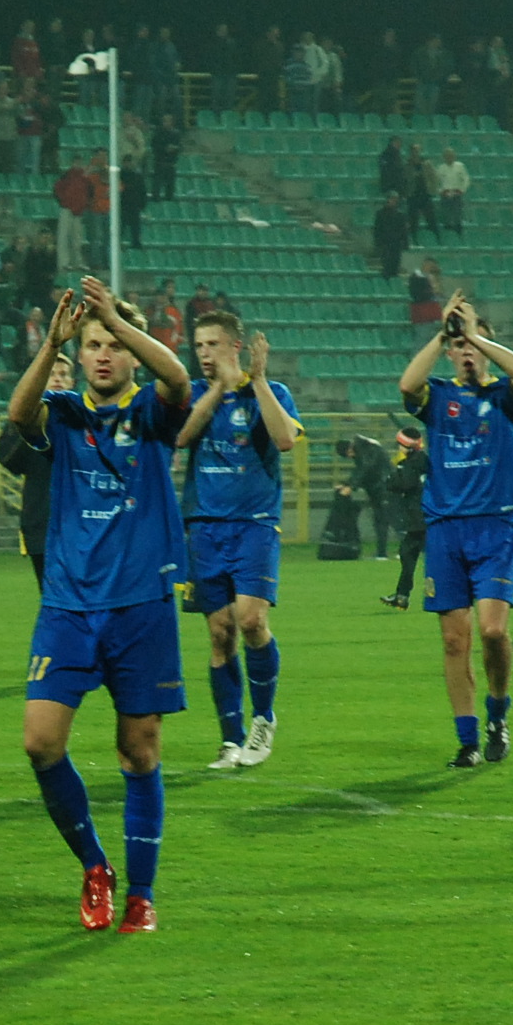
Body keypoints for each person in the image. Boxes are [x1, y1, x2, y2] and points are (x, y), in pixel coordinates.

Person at [9, 280, 192, 933]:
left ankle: (141, 893)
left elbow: (179, 381)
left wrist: (118, 318)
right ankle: (95, 866)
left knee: (139, 751)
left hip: (141, 606)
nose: (104, 354)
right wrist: (50, 346)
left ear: (133, 352)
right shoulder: (62, 413)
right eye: (93, 345)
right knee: (39, 742)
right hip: (68, 604)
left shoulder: (151, 412)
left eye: (113, 344)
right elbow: (18, 416)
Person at [396, 297, 513, 766]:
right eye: (460, 347)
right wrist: (442, 335)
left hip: (494, 525)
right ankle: (468, 740)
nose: (467, 352)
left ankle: (498, 712)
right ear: (450, 354)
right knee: (455, 640)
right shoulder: (438, 396)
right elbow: (407, 385)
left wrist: (473, 332)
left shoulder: (503, 396)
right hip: (445, 529)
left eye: (474, 346)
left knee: (493, 631)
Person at [173, 312, 302, 771]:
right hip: (204, 525)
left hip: (254, 523)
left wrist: (257, 380)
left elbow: (285, 440)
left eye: (212, 344)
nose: (204, 353)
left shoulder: (271, 391)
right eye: (198, 345)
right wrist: (217, 390)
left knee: (250, 620)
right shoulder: (193, 392)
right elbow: (181, 437)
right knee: (220, 633)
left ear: (235, 346)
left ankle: (263, 719)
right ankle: (230, 739)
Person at [0, 352, 71, 588]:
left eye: (64, 374)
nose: (58, 379)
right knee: (52, 597)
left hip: (81, 527)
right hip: (42, 526)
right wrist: (30, 420)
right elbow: (9, 461)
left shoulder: (83, 418)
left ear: (72, 382)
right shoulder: (23, 420)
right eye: (51, 374)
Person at [378, 427, 427, 608]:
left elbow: (404, 484)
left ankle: (403, 595)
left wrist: (391, 478)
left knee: (409, 554)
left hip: (420, 517)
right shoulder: (423, 460)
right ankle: (401, 595)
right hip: (426, 515)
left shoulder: (411, 463)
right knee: (408, 554)